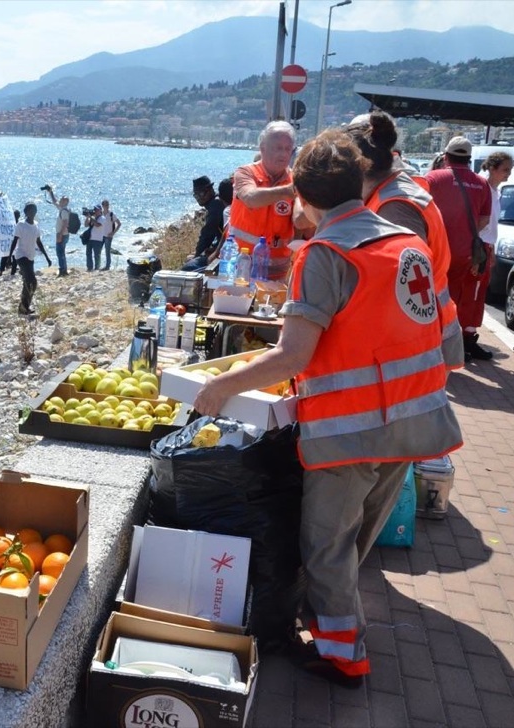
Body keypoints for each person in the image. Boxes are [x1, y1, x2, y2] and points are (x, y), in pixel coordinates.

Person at [193, 130, 462, 687]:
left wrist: (221, 387)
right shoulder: (405, 242)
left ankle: (344, 656)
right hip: (414, 422)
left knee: (326, 546)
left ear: (304, 197)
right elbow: (442, 328)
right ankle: (336, 621)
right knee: (355, 538)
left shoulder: (326, 253)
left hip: (351, 430)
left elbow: (293, 354)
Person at [345, 112, 463, 369]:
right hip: (424, 330)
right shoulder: (393, 191)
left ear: (357, 167)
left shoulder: (394, 207)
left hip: (415, 341)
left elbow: (399, 283)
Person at [427, 137, 493, 361]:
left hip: (434, 249)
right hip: (464, 252)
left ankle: (426, 343)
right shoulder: (481, 184)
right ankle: (444, 348)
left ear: (446, 156)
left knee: (426, 296)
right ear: (469, 159)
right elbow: (484, 220)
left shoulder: (433, 178)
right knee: (450, 298)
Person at [229, 121, 305, 280]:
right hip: (242, 265)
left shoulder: (296, 180)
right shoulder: (245, 173)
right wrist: (289, 191)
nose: (283, 154)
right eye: (278, 148)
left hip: (279, 270)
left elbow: (300, 222)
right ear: (262, 148)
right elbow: (251, 198)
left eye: (288, 149)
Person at [8, 203, 51, 315]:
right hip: (21, 256)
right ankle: (24, 307)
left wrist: (47, 257)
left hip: (31, 256)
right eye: (30, 210)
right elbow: (14, 241)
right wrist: (9, 256)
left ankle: (24, 307)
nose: (33, 212)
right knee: (32, 281)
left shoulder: (36, 225)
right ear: (26, 212)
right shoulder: (21, 225)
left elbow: (39, 242)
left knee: (29, 282)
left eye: (34, 210)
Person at [181, 176, 226, 271]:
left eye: (201, 193)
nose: (199, 198)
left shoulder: (216, 205)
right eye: (196, 195)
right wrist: (212, 248)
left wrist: (197, 255)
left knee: (188, 268)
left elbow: (207, 234)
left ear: (210, 190)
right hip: (223, 248)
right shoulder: (216, 202)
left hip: (227, 253)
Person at [41, 184, 71, 276]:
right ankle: (63, 269)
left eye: (62, 200)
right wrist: (51, 192)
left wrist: (60, 234)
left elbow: (65, 224)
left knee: (60, 252)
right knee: (61, 252)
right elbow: (54, 202)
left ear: (65, 202)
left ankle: (63, 270)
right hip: (64, 234)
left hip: (62, 234)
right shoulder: (63, 209)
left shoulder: (64, 211)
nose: (60, 201)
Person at [100, 199, 120, 270]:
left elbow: (119, 224)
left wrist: (113, 233)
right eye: (105, 205)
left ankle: (107, 266)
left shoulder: (111, 214)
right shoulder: (100, 214)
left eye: (108, 205)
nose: (107, 206)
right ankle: (98, 265)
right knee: (98, 250)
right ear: (102, 206)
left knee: (107, 251)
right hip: (100, 235)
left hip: (108, 236)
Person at [85, 204, 106, 271]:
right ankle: (89, 267)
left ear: (100, 211)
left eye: (97, 210)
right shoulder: (93, 217)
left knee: (97, 254)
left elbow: (97, 225)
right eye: (95, 210)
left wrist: (91, 218)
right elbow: (86, 225)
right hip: (90, 238)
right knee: (88, 253)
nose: (95, 211)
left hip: (98, 239)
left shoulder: (102, 218)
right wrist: (87, 217)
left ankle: (97, 267)